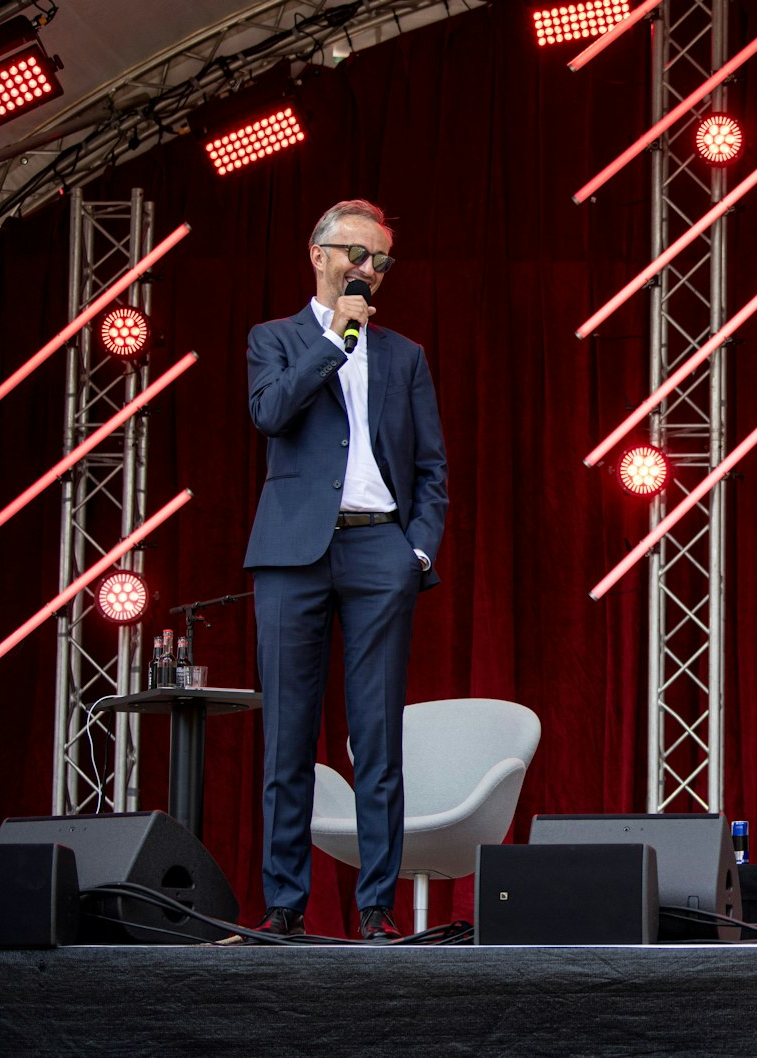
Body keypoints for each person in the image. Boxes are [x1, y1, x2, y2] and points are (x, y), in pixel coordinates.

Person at [242, 199, 448, 942]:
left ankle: (376, 908)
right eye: (355, 255)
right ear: (317, 254)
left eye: (380, 260)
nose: (367, 270)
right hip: (291, 554)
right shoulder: (274, 339)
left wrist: (413, 550)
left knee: (376, 738)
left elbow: (432, 467)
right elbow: (271, 413)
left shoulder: (406, 356)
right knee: (288, 739)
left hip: (376, 552)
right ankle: (284, 907)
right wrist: (335, 340)